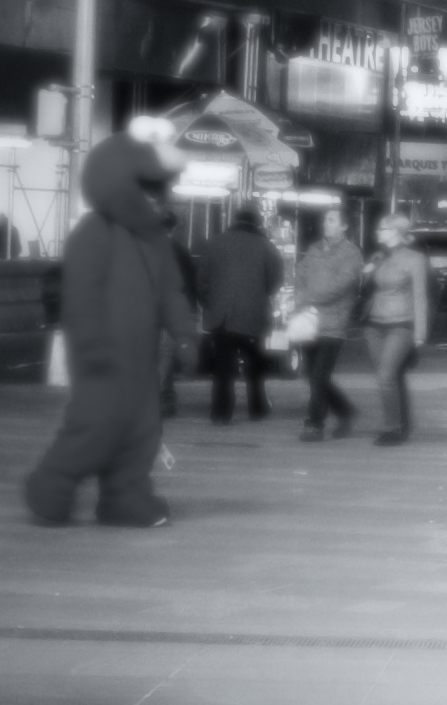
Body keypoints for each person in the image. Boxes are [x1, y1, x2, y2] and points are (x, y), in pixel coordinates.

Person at [21, 133, 195, 529]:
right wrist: (91, 344)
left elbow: (172, 293)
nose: (156, 201)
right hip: (103, 359)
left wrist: (185, 334)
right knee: (94, 428)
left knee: (141, 432)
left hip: (139, 362)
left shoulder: (156, 241)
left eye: (160, 193)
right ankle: (51, 485)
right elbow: (80, 297)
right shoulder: (94, 232)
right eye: (148, 192)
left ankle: (125, 496)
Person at [199, 200, 285, 422]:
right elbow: (275, 282)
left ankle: (220, 411)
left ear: (236, 219)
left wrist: (209, 303)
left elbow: (202, 279)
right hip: (253, 316)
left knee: (223, 367)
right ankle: (257, 408)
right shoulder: (267, 247)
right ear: (258, 222)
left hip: (221, 316)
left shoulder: (215, 243)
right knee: (255, 364)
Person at [295, 204, 365, 440]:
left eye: (332, 220)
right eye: (326, 220)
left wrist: (307, 296)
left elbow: (338, 287)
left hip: (334, 324)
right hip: (309, 322)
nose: (327, 224)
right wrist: (299, 295)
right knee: (311, 375)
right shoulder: (314, 249)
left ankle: (314, 424)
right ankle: (345, 411)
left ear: (344, 226)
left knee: (319, 376)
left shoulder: (351, 254)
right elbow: (300, 274)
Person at [364, 208, 432, 443]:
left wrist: (420, 334)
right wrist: (367, 272)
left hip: (400, 324)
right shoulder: (380, 257)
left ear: (395, 231)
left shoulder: (415, 259)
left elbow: (420, 296)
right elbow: (366, 290)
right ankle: (403, 423)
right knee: (390, 378)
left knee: (386, 376)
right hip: (374, 325)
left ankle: (392, 428)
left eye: (382, 228)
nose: (377, 232)